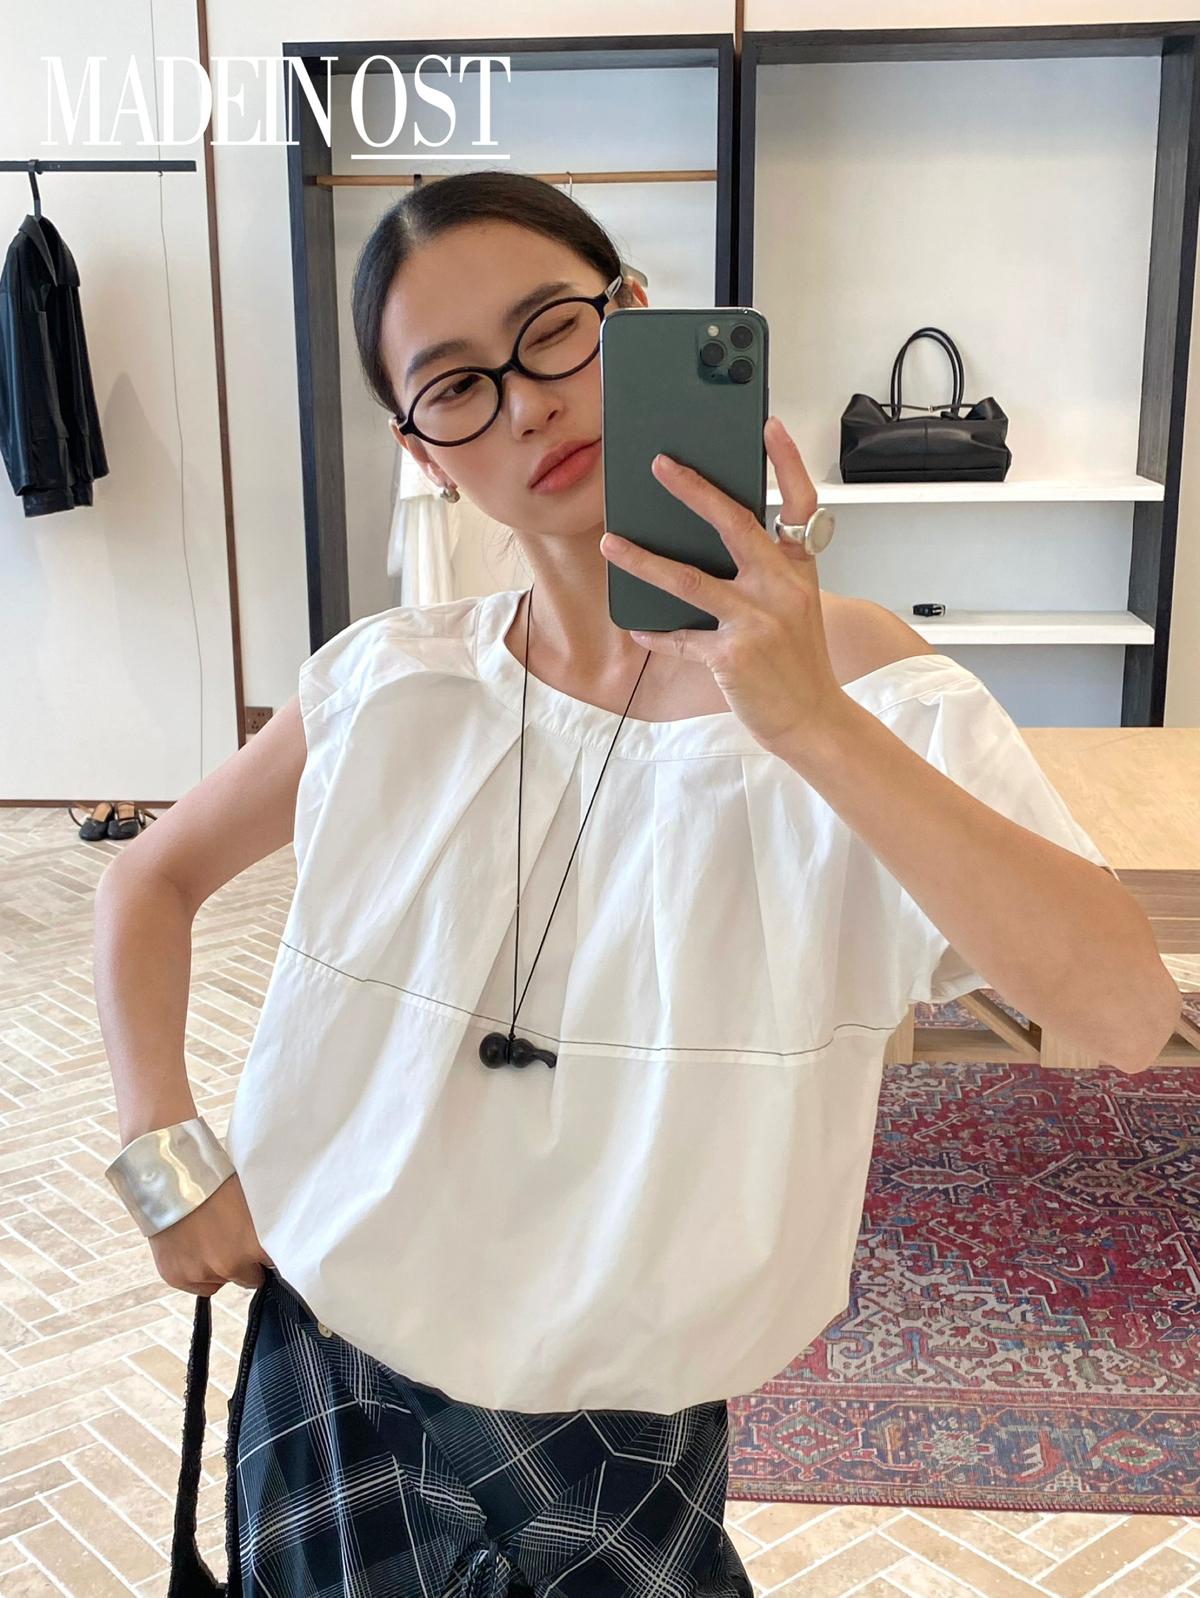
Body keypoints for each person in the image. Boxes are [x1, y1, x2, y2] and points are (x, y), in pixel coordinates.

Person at [95, 170, 1180, 1598]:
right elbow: (148, 881)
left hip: (618, 1433)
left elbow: (1121, 1014)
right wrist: (165, 1159)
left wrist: (808, 721)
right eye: (455, 386)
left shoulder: (866, 690)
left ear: (637, 318)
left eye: (553, 330)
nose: (527, 405)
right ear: (424, 455)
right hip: (327, 1367)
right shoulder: (388, 683)